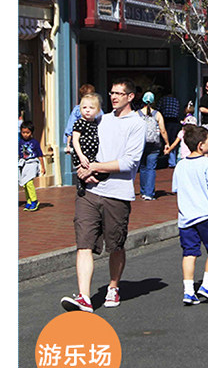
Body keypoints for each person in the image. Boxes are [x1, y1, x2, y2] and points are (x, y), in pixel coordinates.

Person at [61, 78, 146, 312]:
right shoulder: (100, 119)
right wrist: (81, 168)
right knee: (84, 243)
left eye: (119, 93)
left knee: (115, 244)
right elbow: (79, 144)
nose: (114, 97)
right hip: (89, 191)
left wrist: (95, 168)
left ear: (130, 97)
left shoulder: (137, 124)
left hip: (117, 193)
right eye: (111, 93)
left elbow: (129, 162)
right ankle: (84, 297)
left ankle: (113, 286)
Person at [172, 125, 208, 305]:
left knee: (189, 253)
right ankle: (206, 285)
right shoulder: (207, 164)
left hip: (186, 217)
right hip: (207, 214)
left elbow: (176, 188)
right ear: (201, 145)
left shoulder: (180, 165)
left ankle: (188, 290)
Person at [71, 93, 106, 197]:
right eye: (84, 107)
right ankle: (81, 182)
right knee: (84, 169)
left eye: (91, 108)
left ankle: (89, 179)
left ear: (98, 110)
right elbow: (75, 140)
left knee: (101, 172)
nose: (87, 110)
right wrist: (81, 156)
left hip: (93, 154)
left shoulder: (95, 123)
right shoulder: (79, 123)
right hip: (83, 154)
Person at [137, 92, 170, 201]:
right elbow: (163, 130)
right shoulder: (157, 114)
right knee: (151, 168)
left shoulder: (137, 114)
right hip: (154, 144)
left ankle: (143, 191)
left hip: (141, 144)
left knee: (142, 167)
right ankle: (149, 193)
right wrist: (167, 143)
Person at [18, 121, 46, 212]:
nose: (25, 134)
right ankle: (29, 201)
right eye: (23, 132)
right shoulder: (20, 142)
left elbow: (40, 155)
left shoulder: (35, 142)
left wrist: (42, 167)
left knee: (29, 183)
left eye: (27, 132)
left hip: (32, 163)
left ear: (31, 132)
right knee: (25, 184)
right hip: (24, 164)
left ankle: (34, 200)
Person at [64, 84, 98, 155]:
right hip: (81, 146)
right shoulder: (77, 110)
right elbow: (71, 127)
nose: (87, 110)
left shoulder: (97, 109)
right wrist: (68, 144)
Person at [157, 86, 183, 168]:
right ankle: (172, 160)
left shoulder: (163, 100)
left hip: (166, 120)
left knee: (166, 140)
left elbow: (158, 109)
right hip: (174, 121)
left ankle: (166, 159)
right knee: (173, 140)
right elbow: (178, 111)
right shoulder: (175, 100)